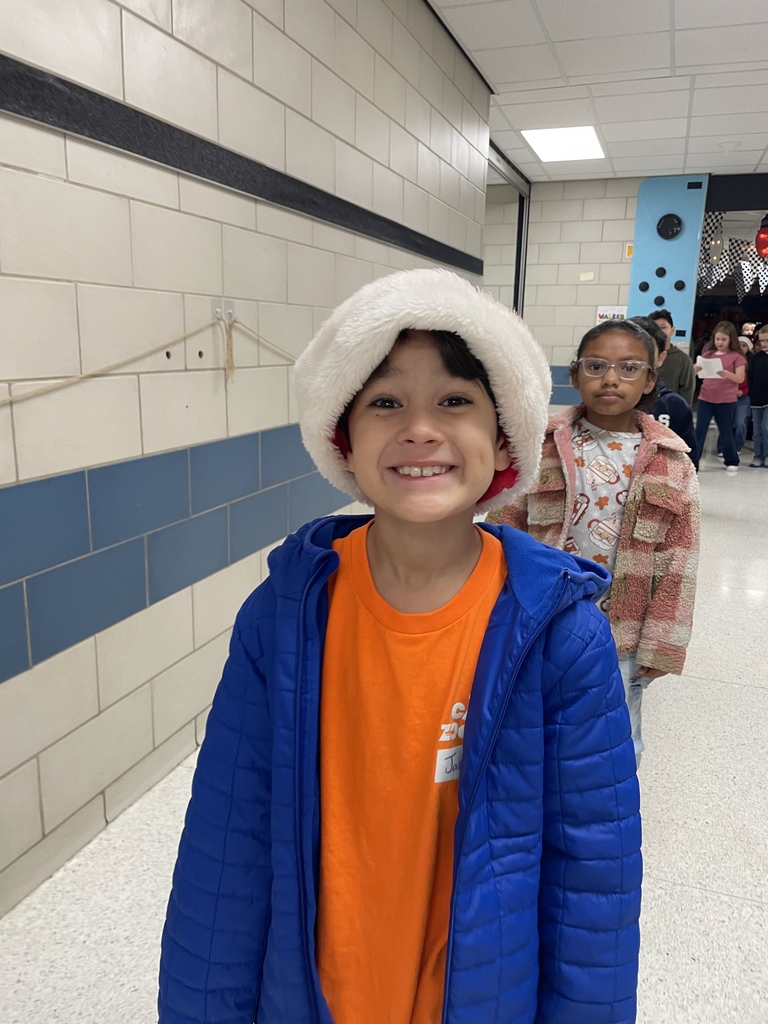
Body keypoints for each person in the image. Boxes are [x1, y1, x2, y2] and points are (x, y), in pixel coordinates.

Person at [157, 269, 642, 1024]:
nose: (421, 428)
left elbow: (593, 891)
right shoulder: (285, 618)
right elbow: (227, 854)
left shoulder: (559, 637)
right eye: (385, 402)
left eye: (455, 400)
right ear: (344, 438)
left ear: (502, 436)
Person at [487, 318, 700, 766]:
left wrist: (662, 643)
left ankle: (604, 816)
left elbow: (679, 558)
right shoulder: (540, 445)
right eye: (596, 365)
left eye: (628, 368)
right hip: (541, 620)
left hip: (619, 632)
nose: (610, 378)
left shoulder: (672, 462)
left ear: (649, 381)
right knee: (532, 725)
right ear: (574, 375)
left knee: (614, 740)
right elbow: (503, 527)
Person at [631, 316, 698, 469]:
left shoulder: (674, 406)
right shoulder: (605, 402)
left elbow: (689, 461)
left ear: (661, 357)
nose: (635, 358)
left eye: (646, 350)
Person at [693, 320, 747, 471]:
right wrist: (695, 369)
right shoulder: (708, 354)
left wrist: (726, 374)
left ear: (731, 339)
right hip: (705, 397)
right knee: (700, 430)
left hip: (726, 400)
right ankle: (693, 461)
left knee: (725, 430)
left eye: (723, 339)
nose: (720, 342)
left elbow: (740, 378)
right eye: (717, 339)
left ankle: (731, 460)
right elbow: (696, 373)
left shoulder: (737, 357)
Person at [648, 309, 695, 404]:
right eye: (655, 328)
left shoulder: (683, 360)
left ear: (672, 330)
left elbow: (687, 392)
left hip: (669, 413)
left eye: (663, 327)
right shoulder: (643, 355)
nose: (659, 332)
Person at [748, 324, 768, 467]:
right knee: (757, 430)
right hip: (756, 399)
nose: (764, 344)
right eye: (761, 341)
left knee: (766, 427)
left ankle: (766, 454)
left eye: (767, 340)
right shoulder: (757, 358)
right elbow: (751, 377)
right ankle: (758, 455)